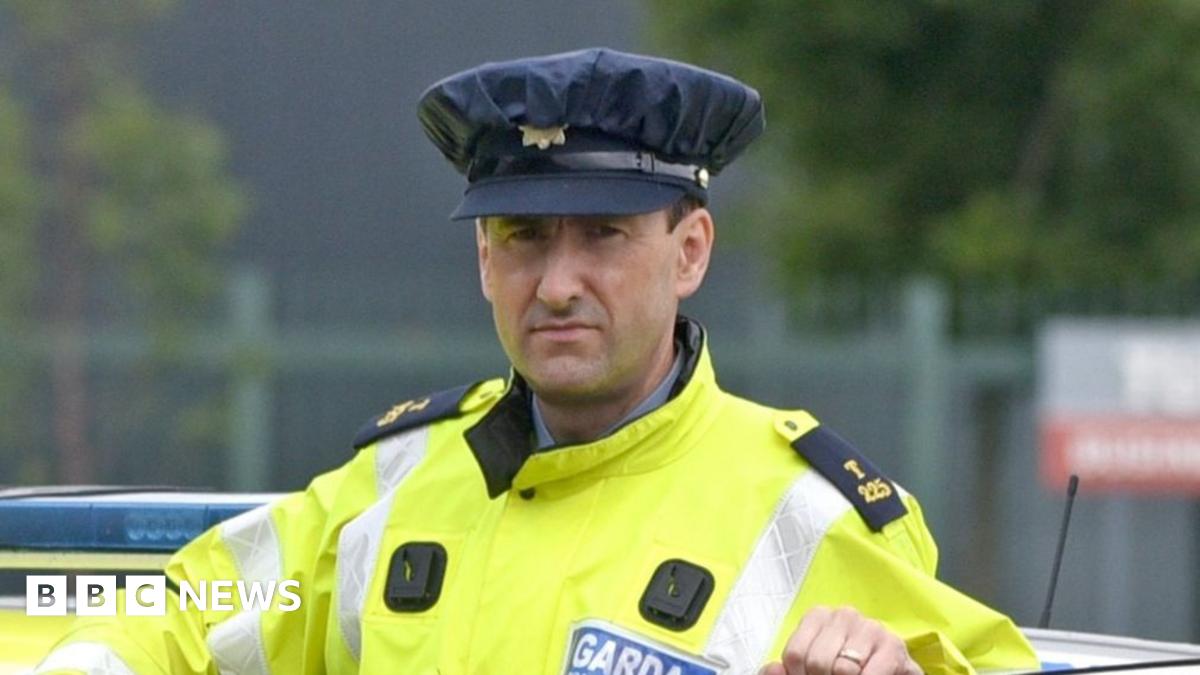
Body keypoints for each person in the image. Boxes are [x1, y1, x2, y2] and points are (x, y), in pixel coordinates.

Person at [35, 48, 1038, 675]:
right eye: (522, 236)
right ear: (482, 258)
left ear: (690, 251)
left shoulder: (811, 518)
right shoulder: (398, 483)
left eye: (602, 237)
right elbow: (186, 612)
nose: (556, 282)